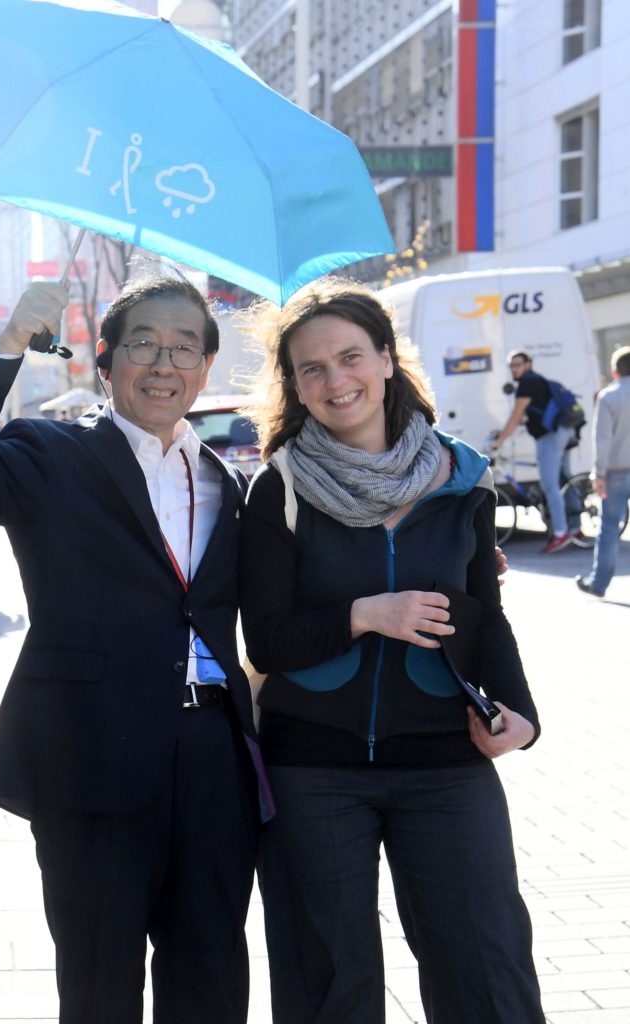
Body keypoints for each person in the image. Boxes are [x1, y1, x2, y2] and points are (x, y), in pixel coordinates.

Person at [0, 274, 269, 1024]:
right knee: (99, 984)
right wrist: (9, 344)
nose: (164, 364)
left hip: (212, 757)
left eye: (184, 348)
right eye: (144, 344)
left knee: (213, 975)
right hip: (91, 757)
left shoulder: (224, 481)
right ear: (105, 363)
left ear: (207, 368)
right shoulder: (49, 455)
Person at [239, 280, 544, 1024]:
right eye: (311, 369)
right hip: (312, 766)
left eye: (350, 357)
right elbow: (268, 640)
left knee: (486, 968)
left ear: (385, 358)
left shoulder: (462, 479)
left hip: (445, 761)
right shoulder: (277, 490)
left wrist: (521, 713)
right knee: (327, 984)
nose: (335, 380)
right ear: (296, 387)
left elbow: (487, 619)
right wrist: (367, 614)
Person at [489, 350, 579, 553]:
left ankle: (561, 533)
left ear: (528, 364)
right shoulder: (536, 381)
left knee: (550, 485)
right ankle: (576, 528)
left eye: (518, 364)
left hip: (550, 437)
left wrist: (500, 441)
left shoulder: (528, 383)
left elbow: (516, 415)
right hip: (563, 432)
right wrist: (502, 432)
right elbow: (524, 417)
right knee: (565, 479)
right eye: (511, 365)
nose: (514, 369)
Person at [576, 345, 630, 597]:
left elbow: (602, 440)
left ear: (614, 371)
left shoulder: (609, 396)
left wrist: (598, 474)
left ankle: (599, 584)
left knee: (609, 528)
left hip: (617, 471)